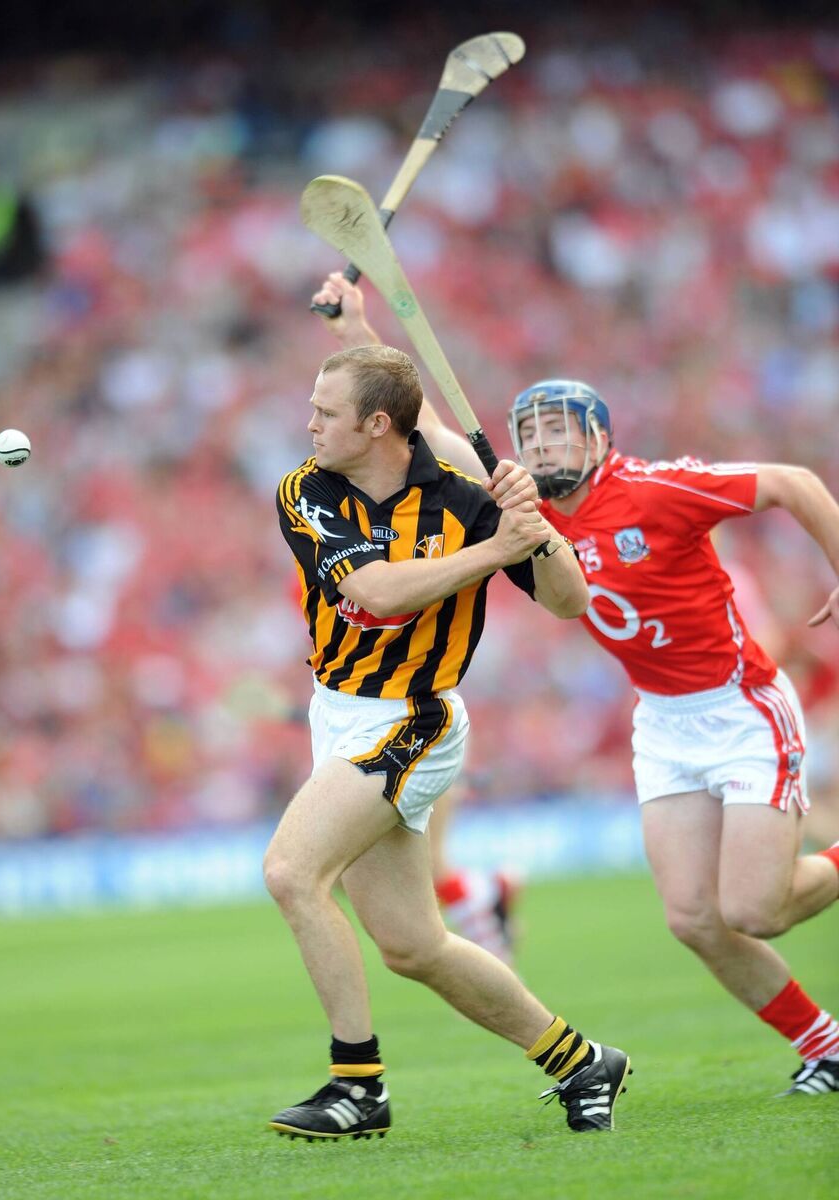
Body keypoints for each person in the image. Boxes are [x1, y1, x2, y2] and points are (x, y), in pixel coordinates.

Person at [325, 274, 839, 1098]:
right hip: (664, 724)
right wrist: (355, 326)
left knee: (755, 910)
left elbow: (795, 484)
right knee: (693, 920)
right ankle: (828, 1046)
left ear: (600, 439)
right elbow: (425, 427)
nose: (544, 447)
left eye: (562, 433)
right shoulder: (528, 509)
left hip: (741, 707)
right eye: (532, 434)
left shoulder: (658, 488)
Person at [266, 338, 631, 1140]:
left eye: (326, 414)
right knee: (413, 945)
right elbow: (375, 593)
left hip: (415, 717)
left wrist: (537, 531)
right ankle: (582, 1062)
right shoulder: (307, 488)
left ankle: (356, 1086)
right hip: (339, 712)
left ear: (378, 424)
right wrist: (497, 546)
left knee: (292, 873)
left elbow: (571, 603)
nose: (310, 424)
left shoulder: (470, 499)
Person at [310, 273, 523, 966]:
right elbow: (405, 415)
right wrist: (354, 334)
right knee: (404, 927)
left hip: (420, 708)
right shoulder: (334, 513)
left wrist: (516, 540)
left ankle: (485, 902)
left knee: (304, 873)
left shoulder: (468, 485)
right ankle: (487, 908)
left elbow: (413, 422)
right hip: (367, 707)